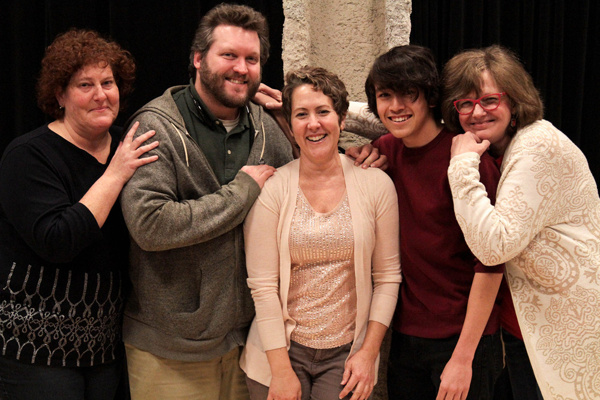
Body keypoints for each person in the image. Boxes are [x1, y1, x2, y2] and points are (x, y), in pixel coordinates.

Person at [119, 4, 294, 400]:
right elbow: (150, 225)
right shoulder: (155, 127)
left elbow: (308, 187)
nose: (241, 68)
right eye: (229, 55)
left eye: (252, 59)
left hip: (251, 344)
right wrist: (242, 191)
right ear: (198, 59)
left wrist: (362, 158)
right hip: (170, 349)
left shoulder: (268, 128)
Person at [0, 29, 158, 399]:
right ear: (60, 94)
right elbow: (58, 241)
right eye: (85, 85)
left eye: (108, 82)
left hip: (104, 347)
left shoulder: (128, 146)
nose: (101, 95)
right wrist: (116, 173)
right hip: (35, 349)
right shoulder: (28, 157)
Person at [443, 44, 600, 400]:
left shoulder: (536, 148)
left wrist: (462, 164)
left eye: (488, 100)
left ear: (514, 101)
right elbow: (414, 121)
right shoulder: (503, 144)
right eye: (465, 103)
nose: (476, 112)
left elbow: (493, 246)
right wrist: (332, 113)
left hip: (564, 332)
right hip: (528, 329)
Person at [240, 66, 400, 400]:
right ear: (290, 124)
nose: (313, 123)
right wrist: (281, 371)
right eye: (301, 114)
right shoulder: (272, 189)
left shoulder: (376, 184)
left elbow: (387, 277)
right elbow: (263, 286)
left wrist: (368, 353)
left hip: (347, 356)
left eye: (323, 112)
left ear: (342, 119)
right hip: (280, 352)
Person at [365, 45, 504, 400]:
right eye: (385, 95)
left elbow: (491, 265)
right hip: (407, 338)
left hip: (464, 340)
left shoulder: (468, 159)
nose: (396, 106)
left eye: (409, 94)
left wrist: (463, 357)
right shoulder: (385, 150)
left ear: (429, 96)